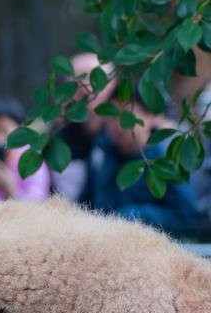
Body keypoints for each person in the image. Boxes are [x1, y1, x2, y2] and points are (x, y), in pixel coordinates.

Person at [81, 87, 207, 235]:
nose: (118, 125)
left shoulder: (167, 157)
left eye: (127, 115)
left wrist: (135, 216)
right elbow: (84, 205)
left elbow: (186, 215)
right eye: (113, 116)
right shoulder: (100, 153)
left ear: (149, 116)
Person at [53, 53, 116, 202]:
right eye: (75, 85)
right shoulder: (57, 137)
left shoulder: (124, 135)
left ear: (112, 86)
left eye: (92, 82)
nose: (84, 91)